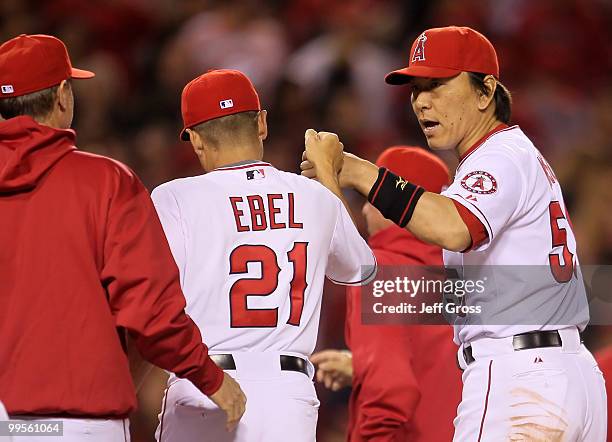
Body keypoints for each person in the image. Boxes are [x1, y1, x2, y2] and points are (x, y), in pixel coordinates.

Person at [302, 26, 607, 441]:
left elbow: (453, 227)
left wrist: (359, 172)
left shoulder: (498, 157)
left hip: (520, 381)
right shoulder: (517, 155)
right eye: (416, 90)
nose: (422, 102)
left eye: (438, 85)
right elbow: (431, 294)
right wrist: (367, 361)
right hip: (565, 374)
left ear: (486, 92)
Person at [0, 34, 245, 442]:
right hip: (80, 419)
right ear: (63, 95)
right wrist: (208, 375)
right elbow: (149, 308)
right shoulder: (105, 182)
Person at [151, 69, 376, 442]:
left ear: (195, 141)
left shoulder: (173, 197)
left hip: (205, 380)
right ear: (262, 124)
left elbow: (152, 300)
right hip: (286, 394)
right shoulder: (314, 196)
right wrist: (327, 179)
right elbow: (360, 269)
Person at [311, 146, 462, 441]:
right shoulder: (463, 272)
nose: (366, 209)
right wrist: (364, 366)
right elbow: (435, 366)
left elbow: (391, 392)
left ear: (392, 204)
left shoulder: (383, 272)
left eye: (371, 197)